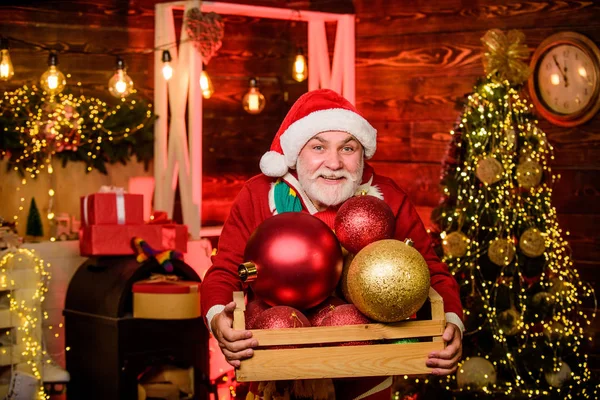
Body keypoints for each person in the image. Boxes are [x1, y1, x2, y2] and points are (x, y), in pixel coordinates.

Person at [201, 89, 464, 399]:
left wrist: (451, 323)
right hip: (274, 383)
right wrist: (219, 319)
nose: (334, 162)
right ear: (296, 153)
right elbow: (224, 272)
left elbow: (431, 272)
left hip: (367, 384)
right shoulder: (259, 195)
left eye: (348, 148)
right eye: (318, 147)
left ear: (362, 154)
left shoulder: (386, 198)